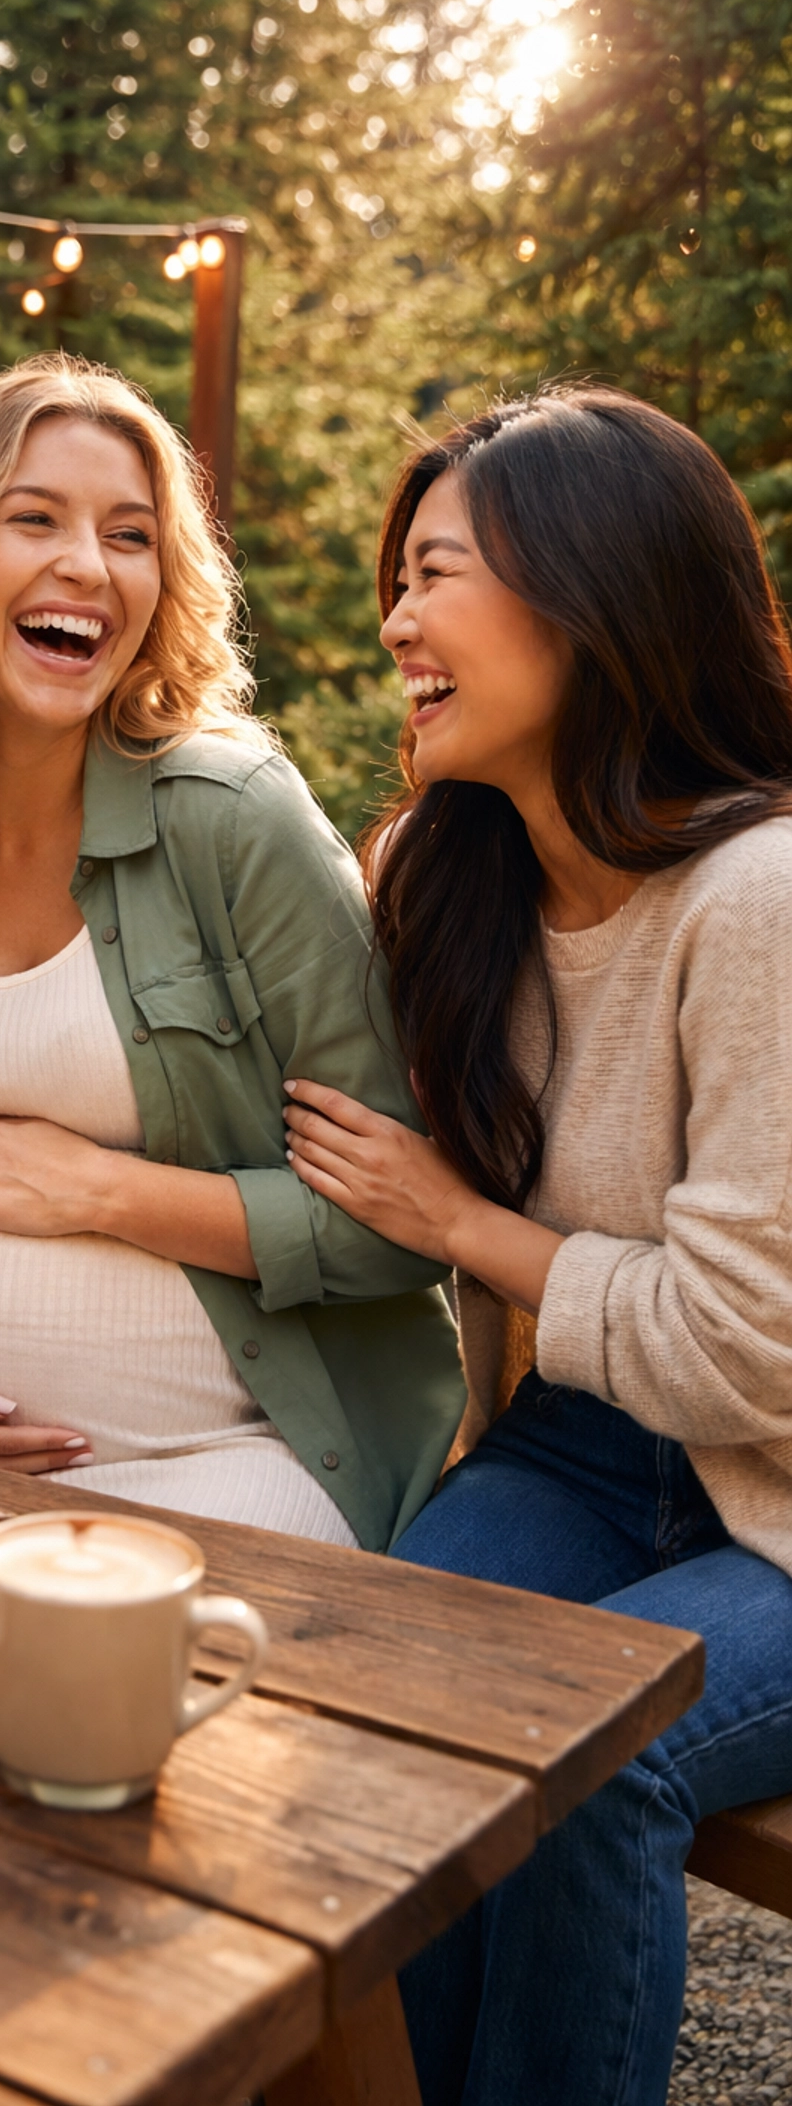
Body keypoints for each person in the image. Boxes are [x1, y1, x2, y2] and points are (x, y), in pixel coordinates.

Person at [280, 386, 792, 2104]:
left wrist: (460, 1222)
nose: (395, 622)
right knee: (379, 1686)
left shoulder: (761, 898)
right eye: (400, 579)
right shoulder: (448, 878)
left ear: (592, 594)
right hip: (589, 1440)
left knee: (593, 1757)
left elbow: (746, 1349)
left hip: (783, 1486)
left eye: (437, 574)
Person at [0, 356, 461, 1543]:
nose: (90, 566)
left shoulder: (234, 819)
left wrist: (101, 1192)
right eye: (35, 520)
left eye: (130, 536)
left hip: (226, 1460)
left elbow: (399, 1221)